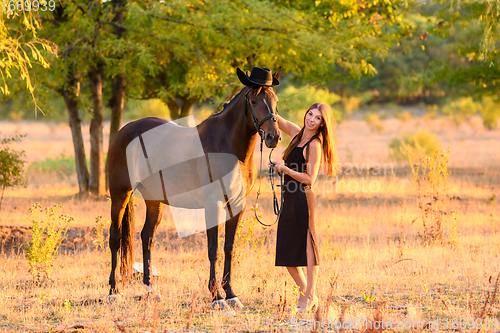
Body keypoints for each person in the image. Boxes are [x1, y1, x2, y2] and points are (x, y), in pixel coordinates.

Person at [271, 102, 341, 311]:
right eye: (310, 114)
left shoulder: (314, 145)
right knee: (285, 248)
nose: (311, 119)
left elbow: (310, 178)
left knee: (308, 246)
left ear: (322, 123)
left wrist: (284, 168)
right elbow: (276, 118)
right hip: (289, 197)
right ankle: (306, 292)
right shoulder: (295, 133)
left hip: (303, 197)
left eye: (317, 117)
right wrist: (259, 94)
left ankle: (309, 294)